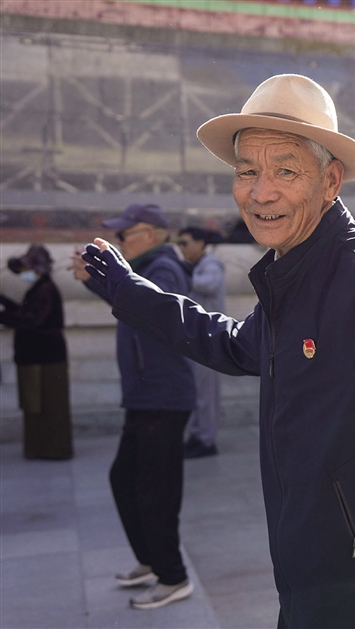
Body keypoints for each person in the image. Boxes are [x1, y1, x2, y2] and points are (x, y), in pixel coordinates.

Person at [79, 74, 355, 628]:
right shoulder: (296, 268)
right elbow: (234, 345)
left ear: (330, 181)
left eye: (285, 171)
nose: (260, 192)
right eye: (246, 171)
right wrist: (130, 291)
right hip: (315, 575)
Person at [70, 203, 197, 609]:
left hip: (163, 396)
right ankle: (151, 560)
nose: (120, 241)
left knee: (155, 491)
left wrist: (102, 278)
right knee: (124, 480)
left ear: (151, 235)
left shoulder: (164, 268)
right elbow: (129, 299)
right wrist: (96, 281)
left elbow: (150, 308)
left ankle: (173, 576)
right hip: (146, 396)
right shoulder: (146, 269)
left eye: (125, 235)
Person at [0, 245, 73, 460]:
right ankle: (40, 449)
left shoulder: (45, 290)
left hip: (45, 358)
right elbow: (25, 311)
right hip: (38, 356)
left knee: (49, 405)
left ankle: (52, 449)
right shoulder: (39, 289)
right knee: (36, 404)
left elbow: (32, 320)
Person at [177, 227, 226, 459]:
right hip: (195, 340)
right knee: (196, 391)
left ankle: (207, 440)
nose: (182, 248)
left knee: (206, 394)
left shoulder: (211, 265)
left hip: (209, 340)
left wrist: (181, 273)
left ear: (200, 244)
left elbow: (207, 285)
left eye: (185, 243)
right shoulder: (195, 266)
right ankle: (197, 436)